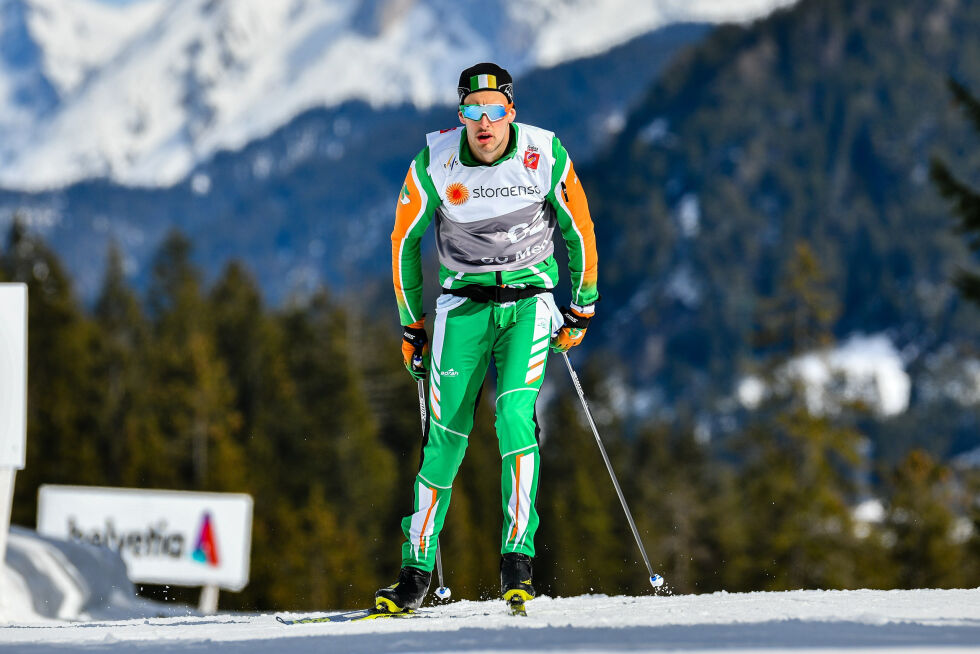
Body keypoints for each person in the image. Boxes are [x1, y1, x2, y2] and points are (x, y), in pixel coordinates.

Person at [377, 62, 599, 613]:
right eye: (472, 112)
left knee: (513, 416)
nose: (484, 123)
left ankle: (517, 561)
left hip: (530, 301)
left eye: (494, 111)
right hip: (463, 306)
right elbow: (403, 241)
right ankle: (415, 570)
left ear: (510, 113)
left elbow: (580, 228)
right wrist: (412, 324)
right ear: (461, 116)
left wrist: (582, 304)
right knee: (445, 435)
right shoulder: (435, 161)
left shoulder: (544, 154)